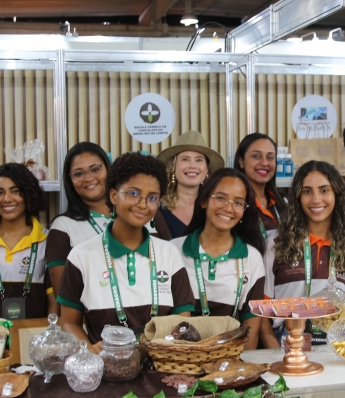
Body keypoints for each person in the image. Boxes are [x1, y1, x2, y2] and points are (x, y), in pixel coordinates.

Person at [57, 153, 195, 351]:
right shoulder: (81, 256)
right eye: (133, 193)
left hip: (162, 370)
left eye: (152, 198)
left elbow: (183, 318)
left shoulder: (169, 253)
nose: (142, 204)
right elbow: (69, 322)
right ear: (113, 195)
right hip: (105, 371)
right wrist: (88, 349)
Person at [47, 142, 171, 295]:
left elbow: (170, 262)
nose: (88, 178)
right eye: (79, 173)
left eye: (95, 169)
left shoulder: (145, 211)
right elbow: (64, 293)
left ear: (108, 169)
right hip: (98, 314)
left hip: (154, 310)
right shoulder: (63, 226)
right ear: (69, 180)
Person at [262, 160, 345, 347]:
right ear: (297, 196)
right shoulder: (277, 242)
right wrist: (274, 353)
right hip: (286, 347)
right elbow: (263, 312)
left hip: (335, 352)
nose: (316, 199)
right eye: (307, 191)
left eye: (324, 190)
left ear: (337, 195)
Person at [171, 169, 267, 350]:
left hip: (231, 362)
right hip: (180, 360)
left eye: (238, 203)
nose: (228, 208)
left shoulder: (252, 258)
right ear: (204, 200)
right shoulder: (173, 250)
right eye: (221, 198)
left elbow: (251, 331)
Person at [0, 163, 56, 319]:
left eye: (16, 191)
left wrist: (48, 338)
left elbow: (53, 300)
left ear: (28, 194)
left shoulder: (48, 240)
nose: (7, 199)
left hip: (34, 337)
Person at [157, 131, 225, 239]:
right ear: (173, 166)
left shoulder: (218, 206)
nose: (192, 165)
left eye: (199, 160)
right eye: (185, 159)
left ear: (207, 168)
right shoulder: (156, 207)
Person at [235, 133, 286, 241]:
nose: (264, 162)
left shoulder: (284, 203)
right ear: (241, 161)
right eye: (256, 156)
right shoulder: (234, 204)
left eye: (270, 157)